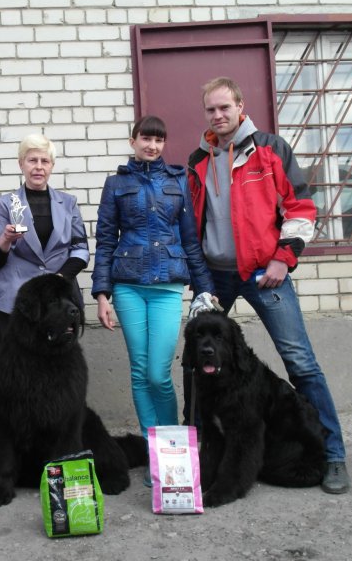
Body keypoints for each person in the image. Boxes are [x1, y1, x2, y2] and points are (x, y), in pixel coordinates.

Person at [184, 76, 350, 495]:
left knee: (301, 362)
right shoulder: (197, 160)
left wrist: (282, 257)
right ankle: (198, 456)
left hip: (263, 272)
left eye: (225, 107)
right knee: (194, 361)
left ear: (241, 106)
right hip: (216, 278)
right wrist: (199, 279)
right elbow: (193, 221)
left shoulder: (271, 149)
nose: (218, 115)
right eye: (211, 109)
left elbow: (301, 207)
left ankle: (332, 455)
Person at [91, 115, 215, 486]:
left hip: (167, 287)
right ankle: (153, 450)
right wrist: (101, 293)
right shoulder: (116, 184)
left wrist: (204, 288)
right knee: (139, 370)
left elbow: (190, 240)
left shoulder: (178, 181)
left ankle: (173, 447)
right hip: (128, 286)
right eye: (146, 138)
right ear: (133, 141)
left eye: (159, 140)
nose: (152, 146)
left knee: (158, 373)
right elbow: (106, 241)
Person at [0, 133, 90, 338]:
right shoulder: (5, 204)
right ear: (21, 164)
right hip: (16, 302)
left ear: (52, 165)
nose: (38, 167)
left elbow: (81, 250)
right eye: (32, 160)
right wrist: (5, 239)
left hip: (60, 300)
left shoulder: (68, 203)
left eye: (45, 161)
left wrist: (59, 278)